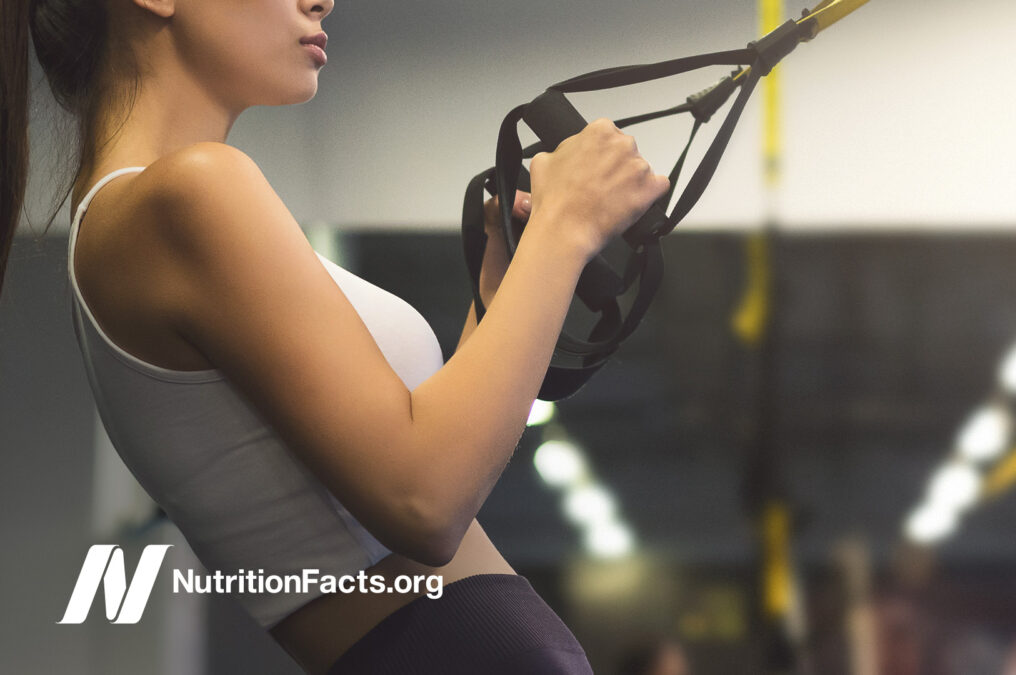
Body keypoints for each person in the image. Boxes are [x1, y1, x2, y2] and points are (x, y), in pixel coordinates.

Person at [0, 0, 670, 672]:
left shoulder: (147, 214)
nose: (321, 0)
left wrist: (509, 281)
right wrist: (568, 227)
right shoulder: (188, 193)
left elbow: (437, 468)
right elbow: (428, 502)